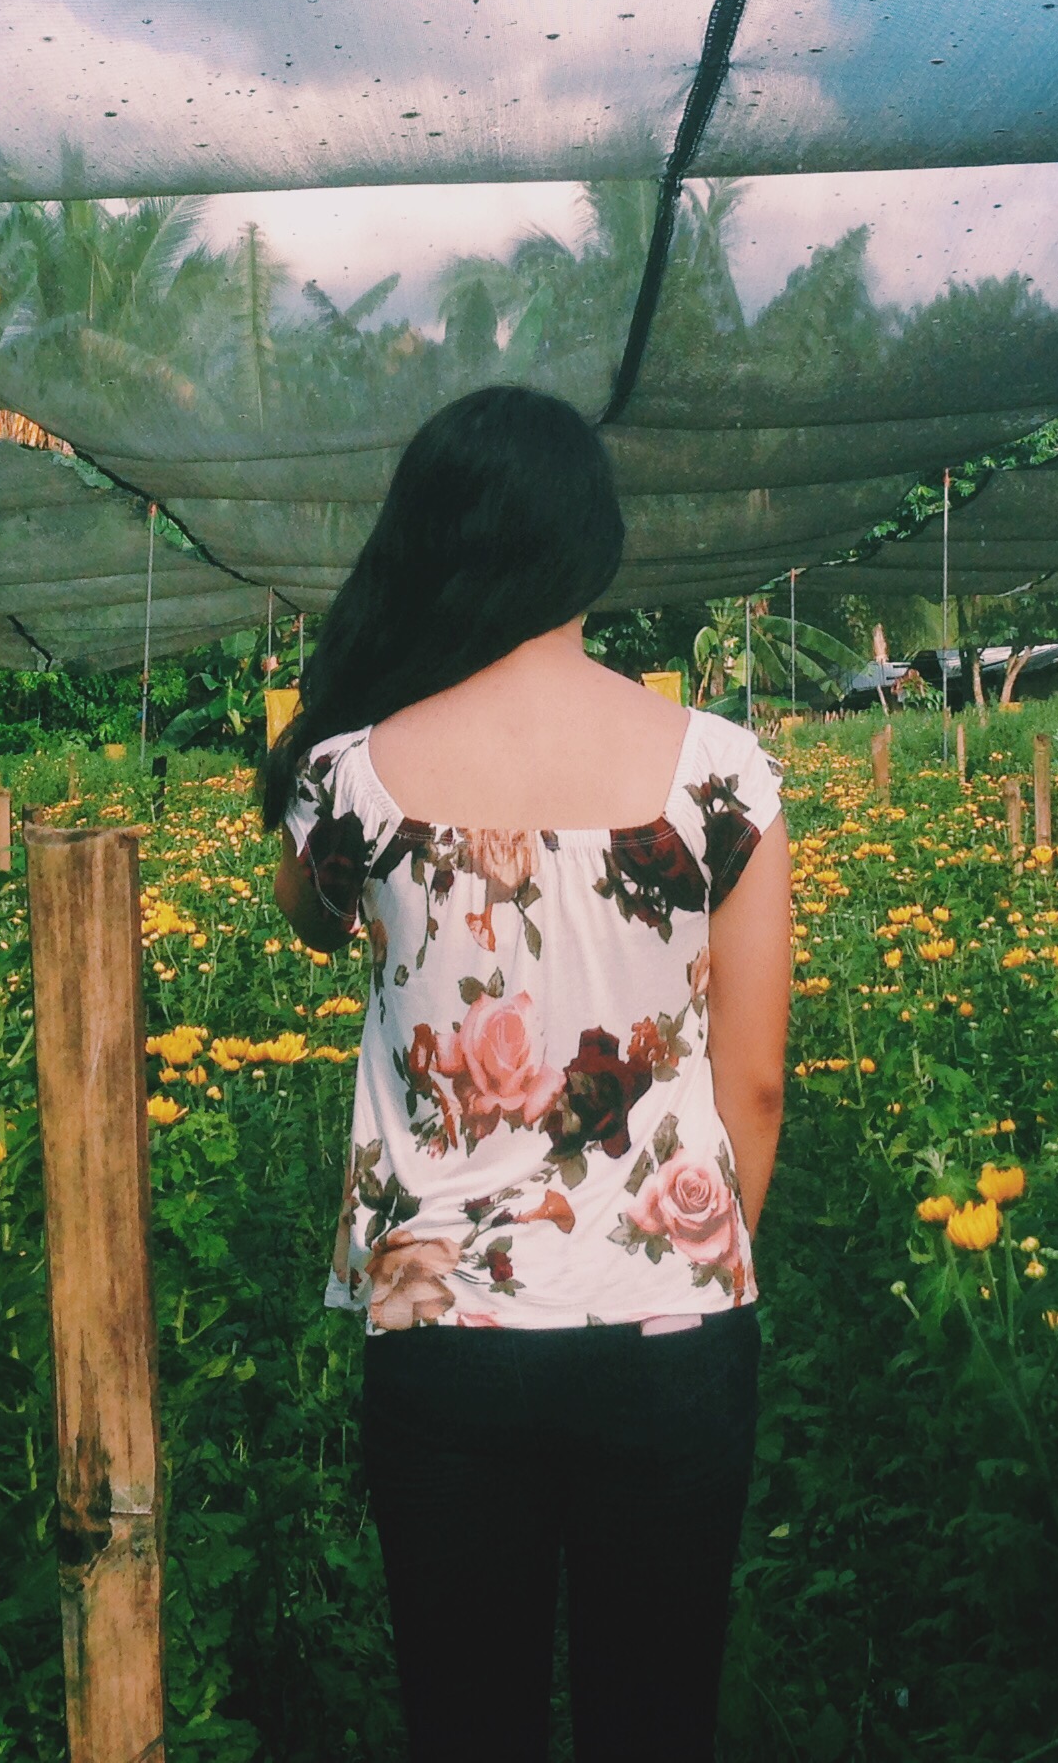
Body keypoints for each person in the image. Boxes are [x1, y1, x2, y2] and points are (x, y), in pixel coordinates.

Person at [263, 385, 792, 1762]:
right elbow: (755, 1085)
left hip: (444, 1340)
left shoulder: (353, 777)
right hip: (674, 1332)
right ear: (591, 548)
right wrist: (691, 1268)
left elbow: (309, 916)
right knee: (655, 1724)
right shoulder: (723, 772)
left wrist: (360, 682)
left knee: (467, 1723)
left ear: (431, 540)